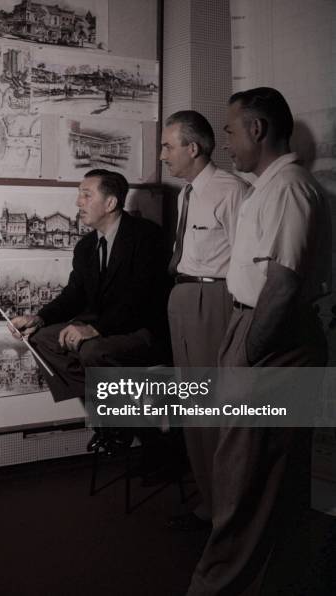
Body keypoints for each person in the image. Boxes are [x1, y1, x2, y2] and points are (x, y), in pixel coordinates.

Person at [186, 87, 331, 595]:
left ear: (257, 129)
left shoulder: (288, 187)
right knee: (270, 482)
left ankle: (215, 587)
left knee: (242, 483)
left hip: (273, 337)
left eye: (228, 129)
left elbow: (283, 284)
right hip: (258, 330)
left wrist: (248, 352)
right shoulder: (269, 187)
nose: (224, 141)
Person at [9, 169, 169, 455]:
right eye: (78, 194)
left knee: (91, 352)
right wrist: (39, 318)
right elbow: (74, 295)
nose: (78, 202)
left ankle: (119, 423)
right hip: (106, 330)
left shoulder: (147, 237)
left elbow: (142, 300)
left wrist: (94, 329)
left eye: (86, 194)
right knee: (42, 339)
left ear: (110, 203)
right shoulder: (85, 247)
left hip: (143, 330)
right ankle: (123, 417)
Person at [160, 110, 248, 531]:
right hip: (183, 294)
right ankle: (208, 501)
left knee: (215, 404)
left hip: (215, 297)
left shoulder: (231, 190)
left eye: (167, 146)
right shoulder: (186, 194)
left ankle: (228, 510)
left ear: (192, 148)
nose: (163, 155)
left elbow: (247, 261)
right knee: (190, 402)